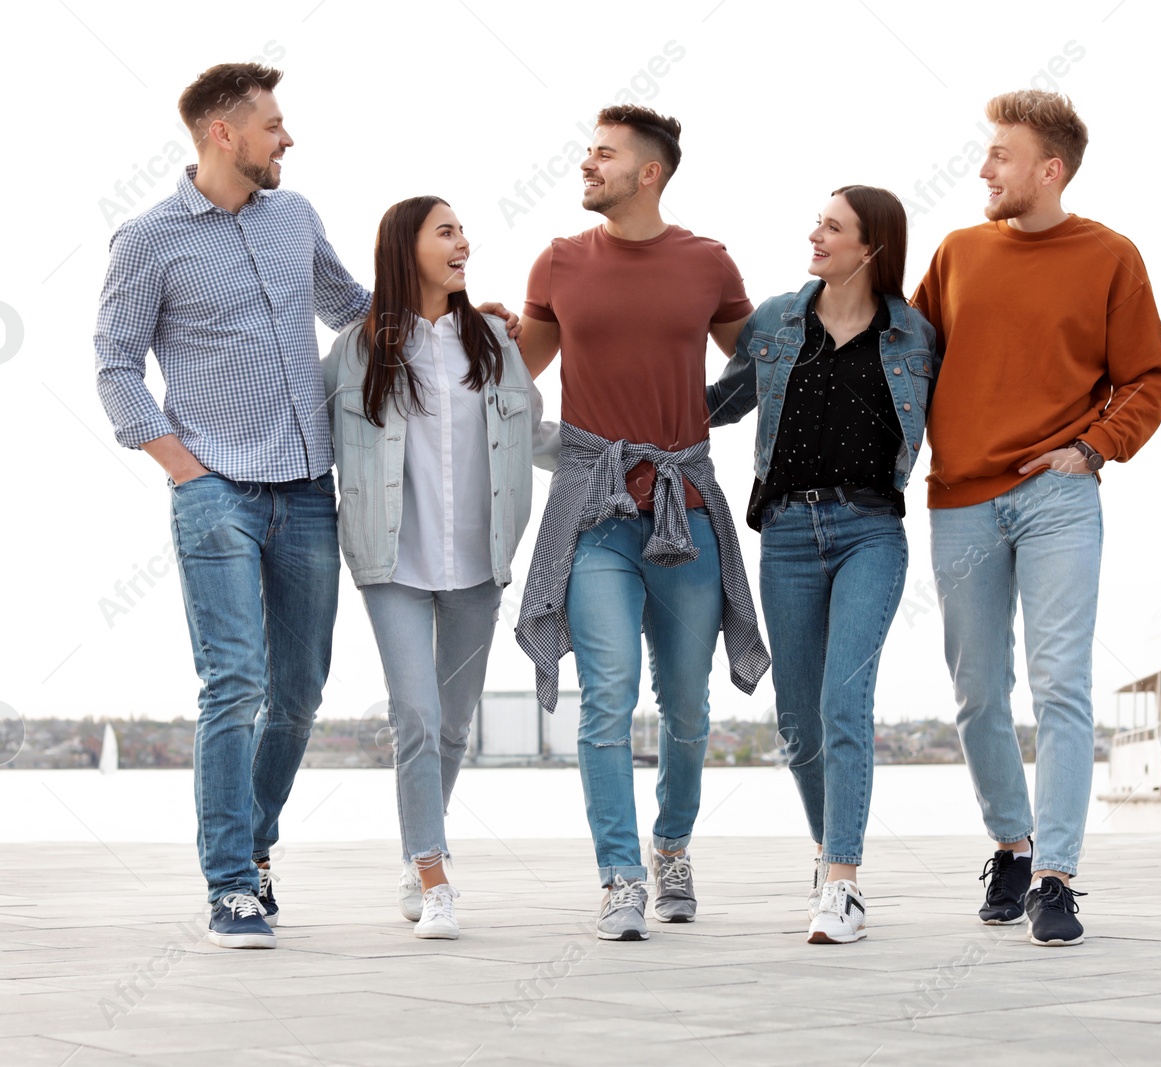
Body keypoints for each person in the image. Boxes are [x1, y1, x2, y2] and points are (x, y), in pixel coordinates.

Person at [94, 63, 517, 949]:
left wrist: (460, 319)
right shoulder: (148, 239)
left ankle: (253, 847)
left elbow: (358, 309)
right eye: (273, 125)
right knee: (235, 683)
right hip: (217, 494)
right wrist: (187, 471)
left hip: (308, 490)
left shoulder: (295, 218)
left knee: (297, 693)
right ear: (223, 133)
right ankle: (230, 886)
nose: (288, 139)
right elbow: (114, 367)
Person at [912, 90, 1161, 946]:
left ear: (1048, 169)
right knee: (978, 689)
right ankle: (1012, 845)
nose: (984, 169)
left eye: (1000, 155)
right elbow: (903, 364)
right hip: (961, 497)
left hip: (1060, 492)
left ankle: (1057, 876)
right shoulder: (955, 254)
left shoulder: (1111, 257)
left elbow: (1150, 373)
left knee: (1062, 681)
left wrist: (1095, 448)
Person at [514, 105, 770, 942]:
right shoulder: (559, 262)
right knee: (607, 698)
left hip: (684, 512)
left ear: (648, 172)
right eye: (587, 149)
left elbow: (768, 362)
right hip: (594, 515)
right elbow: (508, 379)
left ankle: (672, 846)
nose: (587, 163)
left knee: (688, 708)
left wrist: (702, 425)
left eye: (604, 153)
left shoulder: (707, 263)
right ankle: (619, 876)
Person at [322, 197, 557, 939]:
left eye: (461, 232)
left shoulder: (493, 339)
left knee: (454, 726)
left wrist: (611, 451)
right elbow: (309, 436)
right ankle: (433, 872)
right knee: (416, 716)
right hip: (391, 559)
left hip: (479, 562)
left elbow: (532, 434)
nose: (463, 243)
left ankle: (418, 848)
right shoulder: (357, 349)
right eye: (446, 232)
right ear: (406, 248)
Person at [708, 186, 936, 944]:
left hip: (871, 528)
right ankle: (824, 853)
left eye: (832, 227)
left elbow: (967, 411)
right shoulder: (778, 320)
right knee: (797, 723)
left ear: (871, 247)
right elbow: (720, 402)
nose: (815, 234)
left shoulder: (914, 338)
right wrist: (626, 395)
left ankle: (844, 884)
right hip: (787, 534)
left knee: (845, 701)